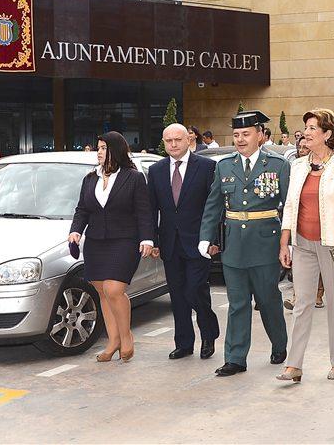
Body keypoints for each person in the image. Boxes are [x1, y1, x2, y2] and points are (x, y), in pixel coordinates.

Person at [276, 109, 334, 382]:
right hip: (303, 244)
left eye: (313, 128)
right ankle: (294, 365)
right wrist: (284, 242)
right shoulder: (298, 165)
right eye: (306, 127)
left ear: (327, 134)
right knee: (302, 303)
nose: (307, 132)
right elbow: (291, 205)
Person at [198, 110, 290, 376]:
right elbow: (213, 205)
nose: (240, 139)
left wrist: (289, 243)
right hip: (234, 246)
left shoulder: (277, 164)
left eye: (246, 134)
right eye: (236, 134)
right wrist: (206, 238)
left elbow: (290, 208)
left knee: (268, 299)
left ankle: (280, 344)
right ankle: (236, 357)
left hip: (266, 243)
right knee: (237, 303)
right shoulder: (224, 165)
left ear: (260, 136)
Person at [68, 131, 154, 363]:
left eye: (104, 148)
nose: (99, 152)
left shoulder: (133, 177)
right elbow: (82, 209)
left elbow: (143, 211)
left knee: (115, 290)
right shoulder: (89, 178)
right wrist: (76, 230)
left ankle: (126, 337)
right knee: (102, 292)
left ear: (115, 150)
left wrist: (147, 238)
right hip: (95, 242)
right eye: (98, 148)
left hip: (125, 240)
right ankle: (113, 340)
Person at [147, 124, 220, 360]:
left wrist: (214, 239)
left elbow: (215, 206)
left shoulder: (207, 167)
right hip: (169, 243)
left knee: (195, 290)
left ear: (189, 140)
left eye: (178, 140)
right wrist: (153, 239)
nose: (173, 145)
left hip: (199, 241)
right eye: (168, 141)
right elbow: (151, 209)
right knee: (177, 295)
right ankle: (184, 343)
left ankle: (209, 335)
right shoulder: (156, 170)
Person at [284, 136, 325, 311]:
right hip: (299, 227)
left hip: (324, 228)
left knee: (321, 266)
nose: (303, 150)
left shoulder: (326, 167)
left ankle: (318, 294)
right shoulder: (297, 168)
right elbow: (291, 201)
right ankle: (296, 297)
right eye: (300, 147)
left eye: (305, 147)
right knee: (299, 269)